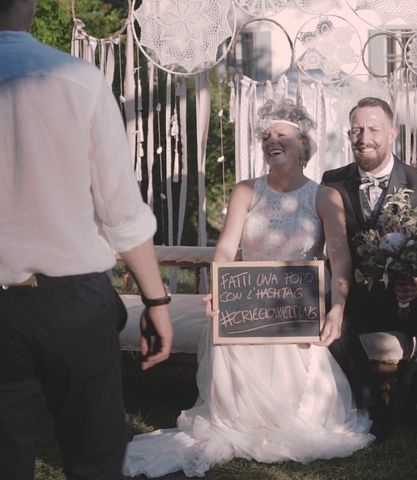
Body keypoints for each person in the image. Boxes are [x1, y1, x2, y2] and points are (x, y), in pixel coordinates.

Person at [123, 98, 374, 478]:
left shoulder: (323, 197)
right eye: (267, 136)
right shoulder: (246, 191)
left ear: (304, 144)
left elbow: (340, 260)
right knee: (228, 340)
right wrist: (220, 286)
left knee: (307, 422)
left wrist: (336, 308)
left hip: (296, 313)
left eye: (282, 135)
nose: (272, 140)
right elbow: (226, 247)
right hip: (248, 306)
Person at [0, 1, 174, 479]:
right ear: (30, 6)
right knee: (95, 456)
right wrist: (155, 299)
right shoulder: (76, 79)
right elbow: (119, 209)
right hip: (72, 303)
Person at [321, 97, 417, 434]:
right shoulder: (333, 181)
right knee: (329, 317)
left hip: (410, 299)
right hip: (358, 297)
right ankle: (371, 408)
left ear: (392, 133)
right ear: (348, 134)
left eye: (373, 129)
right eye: (357, 129)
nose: (364, 137)